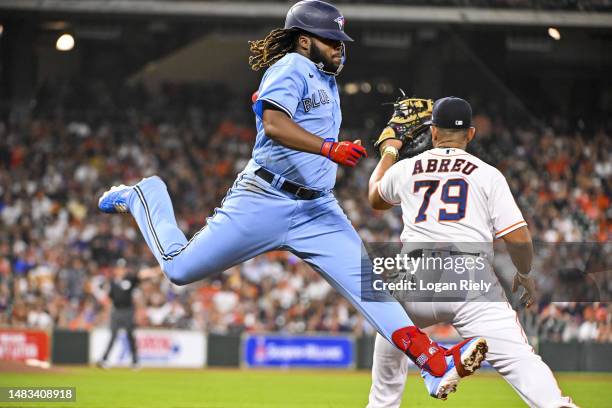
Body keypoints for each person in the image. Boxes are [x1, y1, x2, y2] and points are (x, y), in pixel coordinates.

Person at [97, 0, 483, 392]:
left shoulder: (324, 77)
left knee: (371, 287)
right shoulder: (290, 66)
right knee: (179, 270)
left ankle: (433, 362)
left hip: (317, 208)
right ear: (303, 41)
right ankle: (145, 195)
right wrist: (328, 149)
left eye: (341, 40)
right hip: (265, 197)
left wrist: (386, 145)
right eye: (330, 40)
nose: (339, 47)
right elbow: (274, 123)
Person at [367, 96, 577, 407]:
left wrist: (390, 149)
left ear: (433, 132)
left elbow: (374, 196)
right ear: (471, 134)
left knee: (390, 337)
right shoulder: (486, 173)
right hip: (469, 279)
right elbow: (518, 238)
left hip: (414, 281)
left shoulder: (408, 168)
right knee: (520, 360)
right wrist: (523, 273)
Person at [97, 259, 159, 369]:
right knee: (113, 335)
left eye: (123, 268)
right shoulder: (112, 282)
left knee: (130, 335)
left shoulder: (130, 279)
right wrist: (107, 312)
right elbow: (110, 298)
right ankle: (104, 359)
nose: (121, 270)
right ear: (116, 270)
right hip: (116, 311)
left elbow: (142, 275)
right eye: (119, 268)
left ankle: (135, 361)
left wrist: (156, 270)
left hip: (128, 310)